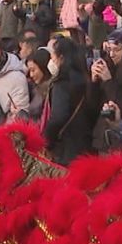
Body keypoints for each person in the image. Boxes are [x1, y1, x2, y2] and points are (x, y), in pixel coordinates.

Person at [40, 36, 92, 165]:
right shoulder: (86, 80)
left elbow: (58, 117)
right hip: (85, 144)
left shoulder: (62, 84)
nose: (51, 61)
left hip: (65, 149)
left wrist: (47, 140)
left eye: (52, 57)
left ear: (61, 58)